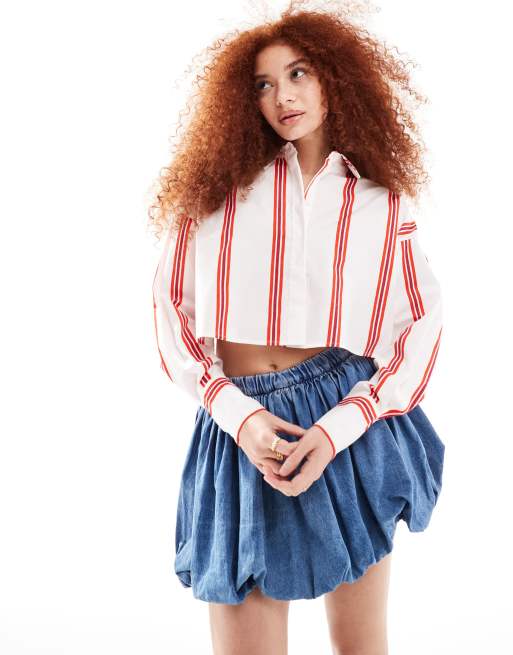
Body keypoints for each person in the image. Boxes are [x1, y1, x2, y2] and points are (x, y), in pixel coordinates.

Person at [148, 2, 445, 653]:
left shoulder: (381, 199)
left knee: (361, 647)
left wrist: (342, 425)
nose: (282, 95)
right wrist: (239, 415)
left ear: (335, 77)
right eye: (263, 83)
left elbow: (420, 321)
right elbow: (171, 313)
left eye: (298, 73)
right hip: (242, 423)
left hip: (344, 419)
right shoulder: (214, 190)